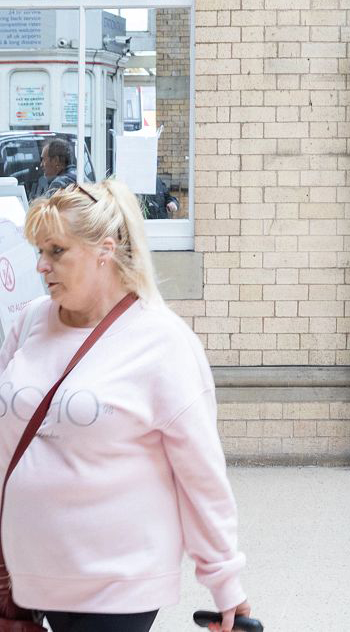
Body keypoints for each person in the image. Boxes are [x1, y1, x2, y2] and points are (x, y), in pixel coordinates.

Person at [0, 180, 252, 632]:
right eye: (40, 251)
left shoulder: (161, 341)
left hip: (117, 580)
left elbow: (200, 475)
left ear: (105, 250)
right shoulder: (29, 322)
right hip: (29, 576)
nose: (41, 265)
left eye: (57, 251)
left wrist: (224, 582)